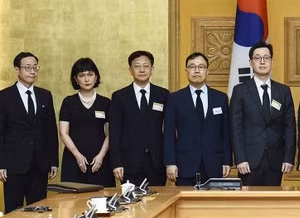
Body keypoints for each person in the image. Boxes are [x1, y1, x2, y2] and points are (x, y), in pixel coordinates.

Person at [230, 41, 295, 186]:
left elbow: (290, 127)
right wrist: (240, 158)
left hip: (276, 160)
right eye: (257, 58)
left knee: (273, 205)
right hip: (248, 161)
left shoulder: (283, 91)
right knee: (249, 205)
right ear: (251, 62)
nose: (262, 62)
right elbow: (236, 128)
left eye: (266, 58)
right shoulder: (240, 91)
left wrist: (288, 157)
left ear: (272, 61)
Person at [0, 52, 59, 213]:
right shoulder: (4, 97)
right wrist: (1, 163)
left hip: (40, 165)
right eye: (27, 68)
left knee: (39, 211)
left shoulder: (45, 95)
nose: (32, 71)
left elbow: (50, 130)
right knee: (13, 211)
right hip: (14, 166)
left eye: (35, 67)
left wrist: (53, 161)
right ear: (17, 70)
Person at [164, 52, 231, 186]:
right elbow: (169, 133)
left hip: (214, 164)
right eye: (192, 67)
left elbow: (226, 133)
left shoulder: (220, 98)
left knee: (211, 206)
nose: (196, 70)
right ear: (186, 70)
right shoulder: (174, 99)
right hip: (184, 164)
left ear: (207, 70)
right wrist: (170, 163)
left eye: (201, 67)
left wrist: (227, 161)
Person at [109, 50, 168, 186]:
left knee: (158, 203)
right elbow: (115, 132)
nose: (142, 70)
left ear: (152, 69)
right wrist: (117, 163)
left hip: (157, 163)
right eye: (137, 66)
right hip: (129, 164)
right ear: (130, 70)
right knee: (131, 205)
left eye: (146, 66)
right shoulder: (119, 97)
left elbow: (169, 130)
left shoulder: (163, 95)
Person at [58, 57, 114, 187]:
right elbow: (63, 132)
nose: (87, 79)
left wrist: (101, 156)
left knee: (102, 202)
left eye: (90, 74)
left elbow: (110, 133)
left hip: (100, 160)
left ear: (96, 77)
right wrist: (77, 155)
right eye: (82, 75)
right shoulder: (68, 102)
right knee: (72, 203)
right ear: (76, 79)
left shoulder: (106, 102)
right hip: (74, 158)